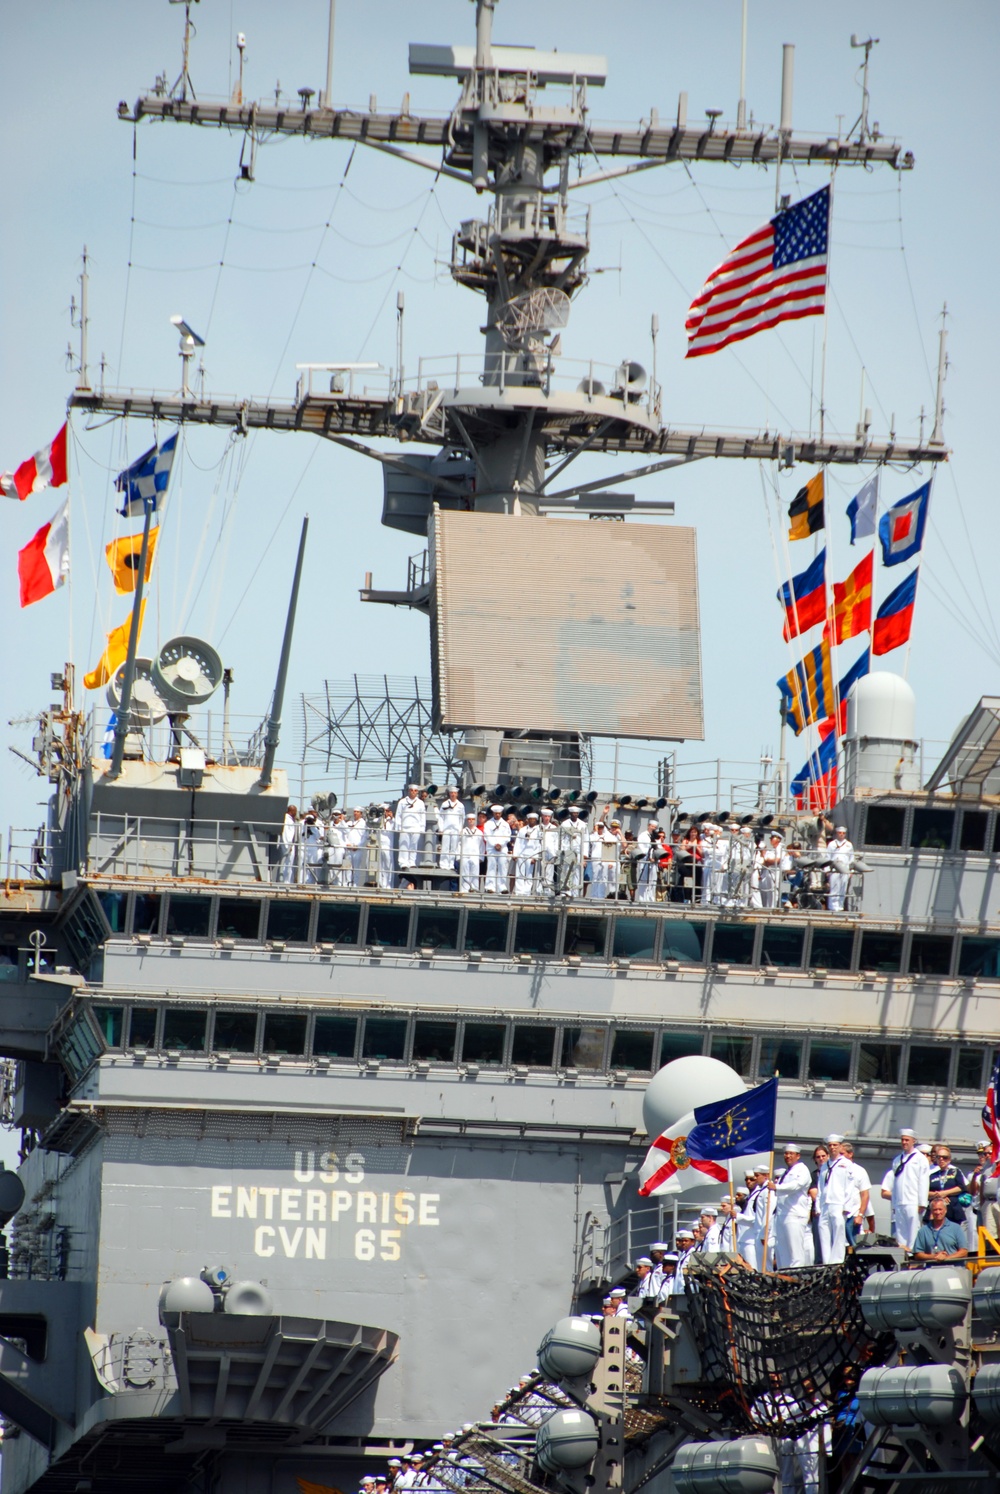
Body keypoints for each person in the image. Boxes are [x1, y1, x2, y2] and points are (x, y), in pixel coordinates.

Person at [881, 1128, 931, 1250]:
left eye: (907, 1140)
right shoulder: (897, 1160)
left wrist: (922, 1203)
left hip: (913, 1201)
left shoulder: (920, 1159)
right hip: (899, 1203)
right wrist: (894, 1204)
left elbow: (924, 1182)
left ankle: (913, 1257)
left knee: (913, 1232)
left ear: (913, 1141)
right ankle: (903, 1258)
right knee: (900, 1234)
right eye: (902, 1140)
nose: (904, 1142)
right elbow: (895, 1183)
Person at [769, 1143, 813, 1269]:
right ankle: (785, 1274)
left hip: (795, 1214)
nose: (788, 1156)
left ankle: (796, 1275)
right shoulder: (785, 1173)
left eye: (791, 1154)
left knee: (795, 1250)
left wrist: (776, 1187)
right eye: (786, 1154)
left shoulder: (802, 1170)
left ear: (798, 1156)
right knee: (783, 1251)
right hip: (782, 1214)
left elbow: (796, 1186)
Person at [817, 1135, 853, 1264]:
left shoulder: (846, 1164)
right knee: (823, 1230)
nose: (832, 1148)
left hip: (838, 1202)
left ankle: (836, 1261)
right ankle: (827, 1262)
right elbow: (821, 1186)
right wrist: (818, 1206)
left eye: (835, 1145)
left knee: (838, 1231)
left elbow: (849, 1187)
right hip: (825, 1203)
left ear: (840, 1146)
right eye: (830, 1145)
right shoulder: (825, 1165)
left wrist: (846, 1206)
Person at [910, 1194, 969, 1262]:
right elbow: (918, 1254)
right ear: (931, 1211)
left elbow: (964, 1251)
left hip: (954, 1267)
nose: (938, 1212)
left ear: (945, 1210)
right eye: (935, 1210)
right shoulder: (923, 1230)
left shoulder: (956, 1228)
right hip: (932, 1269)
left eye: (940, 1209)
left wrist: (947, 1258)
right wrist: (934, 1256)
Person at [926, 1145, 967, 1226]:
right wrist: (938, 1196)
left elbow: (961, 1187)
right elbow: (925, 1192)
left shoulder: (955, 1171)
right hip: (936, 1211)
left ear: (949, 1159)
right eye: (939, 1157)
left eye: (944, 1157)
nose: (941, 1159)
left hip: (952, 1209)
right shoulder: (932, 1175)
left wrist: (945, 1193)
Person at [841, 1142, 872, 1245]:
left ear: (850, 1154)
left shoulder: (859, 1171)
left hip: (853, 1215)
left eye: (842, 1154)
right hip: (840, 1214)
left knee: (854, 1246)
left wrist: (860, 1215)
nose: (840, 1157)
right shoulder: (837, 1170)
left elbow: (865, 1195)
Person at [395, 785, 426, 874]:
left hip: (415, 827)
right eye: (411, 790)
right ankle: (403, 862)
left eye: (415, 790)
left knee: (413, 845)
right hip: (405, 826)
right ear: (409, 791)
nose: (413, 792)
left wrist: (422, 828)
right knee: (404, 845)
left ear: (417, 792)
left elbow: (422, 816)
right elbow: (398, 815)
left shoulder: (420, 803)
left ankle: (412, 862)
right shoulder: (402, 802)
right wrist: (398, 827)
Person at [559, 805, 588, 896]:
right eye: (573, 813)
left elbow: (586, 840)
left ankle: (575, 893)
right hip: (568, 850)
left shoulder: (583, 824)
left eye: (576, 813)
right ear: (570, 814)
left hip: (579, 851)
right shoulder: (565, 824)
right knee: (566, 870)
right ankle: (566, 891)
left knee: (577, 872)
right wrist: (562, 851)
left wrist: (585, 855)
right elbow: (561, 838)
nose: (575, 815)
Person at [483, 805, 512, 894]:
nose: (497, 815)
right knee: (491, 867)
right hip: (492, 848)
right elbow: (487, 836)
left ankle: (502, 887)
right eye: (496, 813)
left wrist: (501, 844)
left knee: (502, 867)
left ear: (501, 813)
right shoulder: (488, 824)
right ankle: (490, 887)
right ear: (493, 813)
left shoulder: (505, 824)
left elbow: (508, 836)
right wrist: (495, 844)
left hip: (502, 849)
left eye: (499, 813)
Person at [826, 824, 854, 912]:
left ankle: (840, 906)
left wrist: (851, 871)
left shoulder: (849, 845)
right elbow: (828, 857)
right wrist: (827, 870)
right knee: (834, 888)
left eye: (843, 833)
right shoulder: (832, 844)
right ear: (837, 833)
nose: (841, 834)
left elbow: (851, 858)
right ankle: (832, 907)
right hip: (834, 868)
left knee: (843, 888)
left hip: (844, 868)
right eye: (839, 833)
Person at [438, 787, 465, 871]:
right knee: (445, 847)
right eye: (451, 793)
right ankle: (443, 864)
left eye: (454, 793)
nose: (453, 794)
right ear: (449, 794)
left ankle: (451, 864)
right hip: (446, 828)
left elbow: (462, 818)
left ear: (457, 794)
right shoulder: (445, 804)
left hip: (455, 829)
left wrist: (460, 829)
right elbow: (441, 817)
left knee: (453, 848)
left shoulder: (460, 805)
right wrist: (441, 828)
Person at [513, 812, 541, 896]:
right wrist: (515, 854)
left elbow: (538, 845)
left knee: (529, 874)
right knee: (519, 873)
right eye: (530, 819)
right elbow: (518, 842)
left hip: (531, 854)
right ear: (528, 820)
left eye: (534, 819)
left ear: (536, 820)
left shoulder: (539, 830)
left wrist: (535, 857)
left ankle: (526, 892)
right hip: (521, 853)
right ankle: (519, 891)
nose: (532, 821)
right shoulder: (523, 830)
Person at [634, 821, 661, 903]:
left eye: (655, 827)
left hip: (654, 862)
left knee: (653, 881)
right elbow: (642, 848)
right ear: (649, 826)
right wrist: (649, 857)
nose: (654, 829)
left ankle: (651, 899)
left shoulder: (656, 838)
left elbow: (659, 849)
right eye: (652, 827)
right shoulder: (643, 835)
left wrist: (656, 858)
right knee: (643, 880)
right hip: (645, 861)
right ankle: (642, 900)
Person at [459, 813, 484, 893]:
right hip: (465, 855)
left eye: (472, 819)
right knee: (465, 873)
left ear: (475, 820)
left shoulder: (479, 832)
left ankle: (474, 888)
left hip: (475, 855)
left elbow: (481, 845)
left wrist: (481, 857)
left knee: (475, 874)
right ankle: (464, 889)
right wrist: (459, 856)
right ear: (467, 821)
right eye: (469, 819)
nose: (471, 821)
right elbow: (459, 844)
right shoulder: (463, 831)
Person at [759, 832, 785, 910]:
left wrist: (768, 861)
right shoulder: (773, 849)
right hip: (770, 871)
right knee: (769, 890)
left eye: (772, 838)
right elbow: (766, 862)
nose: (771, 840)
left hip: (775, 872)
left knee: (774, 890)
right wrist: (768, 861)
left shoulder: (780, 848)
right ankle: (769, 907)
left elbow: (777, 860)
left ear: (778, 839)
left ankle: (773, 907)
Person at [345, 807, 369, 888]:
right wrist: (347, 844)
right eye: (354, 811)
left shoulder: (363, 824)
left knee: (356, 868)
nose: (355, 813)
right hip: (349, 848)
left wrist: (358, 846)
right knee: (348, 868)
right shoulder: (349, 822)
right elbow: (345, 834)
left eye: (357, 812)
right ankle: (348, 883)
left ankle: (355, 885)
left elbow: (364, 837)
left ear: (361, 813)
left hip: (357, 849)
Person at [300, 810, 325, 884]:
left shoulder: (315, 825)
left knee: (312, 866)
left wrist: (312, 826)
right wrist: (305, 826)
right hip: (303, 846)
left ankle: (311, 882)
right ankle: (301, 881)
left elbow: (318, 836)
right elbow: (299, 834)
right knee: (302, 865)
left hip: (313, 847)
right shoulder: (301, 823)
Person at [326, 809, 348, 887]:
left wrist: (342, 820)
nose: (336, 816)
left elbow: (346, 831)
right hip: (331, 847)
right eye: (334, 814)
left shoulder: (342, 824)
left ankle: (339, 883)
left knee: (338, 865)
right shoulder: (330, 824)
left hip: (339, 847)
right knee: (331, 865)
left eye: (337, 814)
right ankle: (332, 881)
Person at [277, 804, 298, 883]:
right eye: (295, 811)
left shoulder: (290, 819)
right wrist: (288, 846)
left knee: (289, 864)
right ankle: (286, 881)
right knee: (287, 863)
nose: (296, 813)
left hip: (289, 844)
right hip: (288, 845)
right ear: (291, 811)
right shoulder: (286, 819)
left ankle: (288, 880)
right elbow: (285, 833)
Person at [376, 806, 395, 889]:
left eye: (387, 811)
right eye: (384, 811)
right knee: (380, 865)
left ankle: (388, 884)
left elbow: (398, 826)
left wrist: (392, 817)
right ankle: (381, 883)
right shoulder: (379, 820)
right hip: (379, 844)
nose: (386, 812)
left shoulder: (392, 821)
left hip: (388, 845)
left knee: (388, 865)